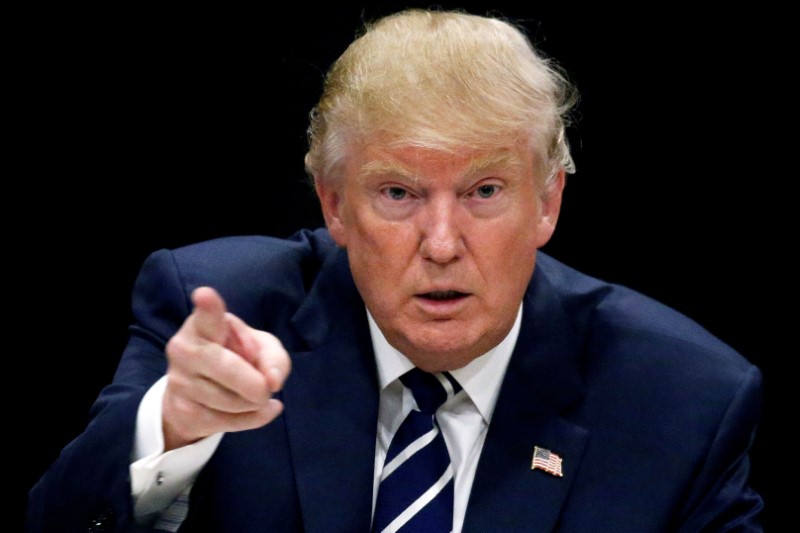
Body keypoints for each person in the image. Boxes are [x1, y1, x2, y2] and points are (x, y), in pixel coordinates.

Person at [27, 8, 764, 533]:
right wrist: (173, 426)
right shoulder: (224, 316)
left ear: (546, 202)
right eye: (398, 193)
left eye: (483, 191)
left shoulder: (681, 400)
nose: (441, 243)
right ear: (335, 205)